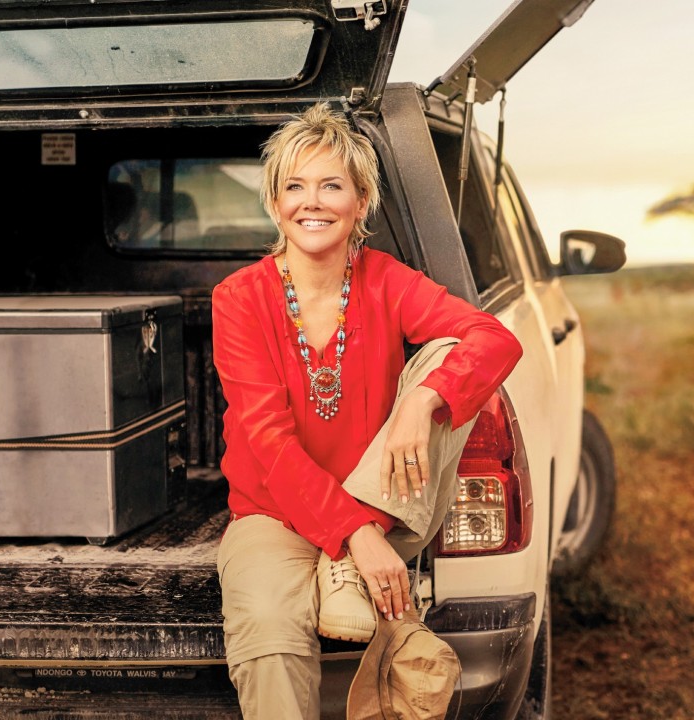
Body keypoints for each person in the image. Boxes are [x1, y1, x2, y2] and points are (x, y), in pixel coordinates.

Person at [211, 102, 522, 719]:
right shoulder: (240, 299)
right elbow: (269, 445)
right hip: (274, 513)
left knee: (446, 354)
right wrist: (355, 539)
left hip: (384, 506)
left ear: (360, 201)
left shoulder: (386, 281)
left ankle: (348, 571)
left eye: (332, 185)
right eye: (294, 186)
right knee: (270, 629)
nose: (312, 202)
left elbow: (495, 339)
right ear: (275, 204)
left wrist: (423, 399)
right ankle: (341, 568)